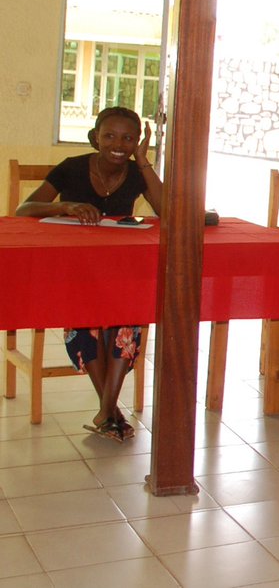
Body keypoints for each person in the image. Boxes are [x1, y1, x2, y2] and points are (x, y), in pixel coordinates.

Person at [16, 106, 163, 441]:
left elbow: (169, 211)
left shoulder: (137, 170)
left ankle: (106, 411)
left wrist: (143, 161)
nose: (118, 144)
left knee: (128, 321)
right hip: (75, 271)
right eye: (109, 135)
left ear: (137, 143)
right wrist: (63, 206)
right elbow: (23, 210)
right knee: (85, 320)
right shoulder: (72, 168)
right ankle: (110, 411)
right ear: (96, 137)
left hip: (121, 272)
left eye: (129, 138)